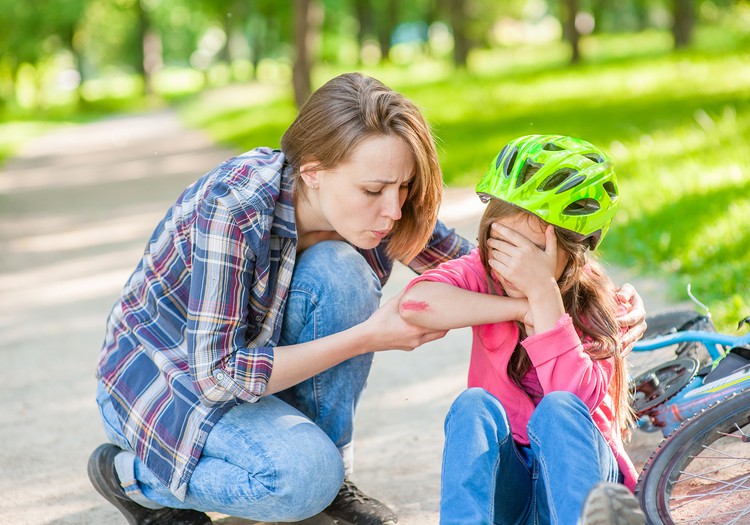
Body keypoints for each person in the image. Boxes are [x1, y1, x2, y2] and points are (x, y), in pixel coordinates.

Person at [87, 74, 646, 525]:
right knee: (298, 480)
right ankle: (136, 479)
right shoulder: (231, 211)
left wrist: (591, 293)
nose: (394, 210)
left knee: (338, 270)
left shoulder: (377, 211)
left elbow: (489, 263)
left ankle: (329, 479)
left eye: (404, 188)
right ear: (312, 173)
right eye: (374, 191)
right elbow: (217, 375)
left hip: (252, 369)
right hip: (168, 381)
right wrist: (369, 336)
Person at [399, 134, 647, 525]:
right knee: (473, 405)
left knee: (558, 408)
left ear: (573, 251)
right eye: (503, 245)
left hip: (578, 484)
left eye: (532, 251)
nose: (514, 264)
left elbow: (574, 399)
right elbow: (415, 305)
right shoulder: (484, 273)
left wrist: (543, 293)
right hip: (511, 493)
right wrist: (519, 307)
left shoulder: (599, 300)